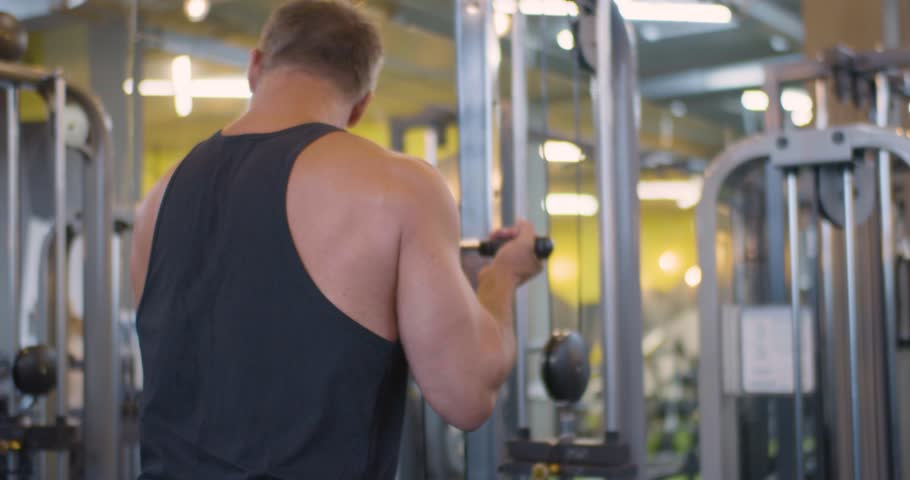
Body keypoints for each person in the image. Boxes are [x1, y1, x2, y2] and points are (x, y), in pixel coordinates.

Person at [130, 0, 544, 478]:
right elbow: (467, 394)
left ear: (255, 65)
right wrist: (501, 277)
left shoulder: (158, 200)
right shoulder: (398, 185)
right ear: (361, 103)